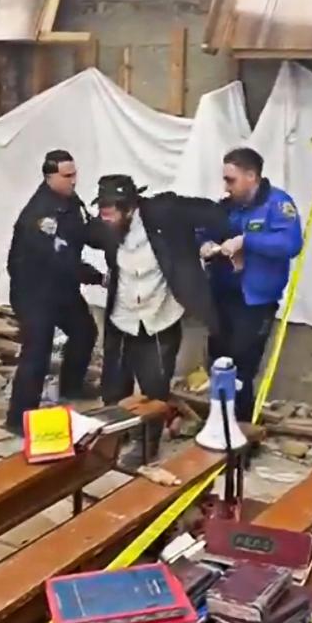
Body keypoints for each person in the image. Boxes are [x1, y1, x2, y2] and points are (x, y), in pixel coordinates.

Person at [94, 174, 231, 466]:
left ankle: (148, 446)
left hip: (160, 316)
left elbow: (216, 214)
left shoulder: (164, 211)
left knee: (154, 387)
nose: (104, 219)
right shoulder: (106, 229)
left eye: (110, 213)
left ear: (129, 209)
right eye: (101, 212)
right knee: (114, 385)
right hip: (122, 318)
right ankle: (116, 436)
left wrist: (209, 244)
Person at [198, 147, 302, 423]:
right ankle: (218, 422)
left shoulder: (278, 205)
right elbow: (203, 231)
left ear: (251, 176)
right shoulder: (226, 206)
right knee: (218, 361)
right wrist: (205, 244)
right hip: (222, 296)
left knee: (242, 366)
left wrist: (247, 241)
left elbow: (291, 244)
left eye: (231, 180)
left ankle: (241, 432)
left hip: (255, 301)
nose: (226, 186)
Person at [5, 150, 105, 435]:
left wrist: (112, 231)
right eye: (67, 176)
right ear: (50, 177)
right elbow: (63, 259)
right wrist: (98, 278)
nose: (74, 181)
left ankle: (71, 386)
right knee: (37, 350)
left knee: (85, 331)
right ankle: (18, 418)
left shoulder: (70, 202)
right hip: (34, 290)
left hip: (60, 287)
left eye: (75, 174)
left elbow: (85, 232)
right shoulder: (40, 216)